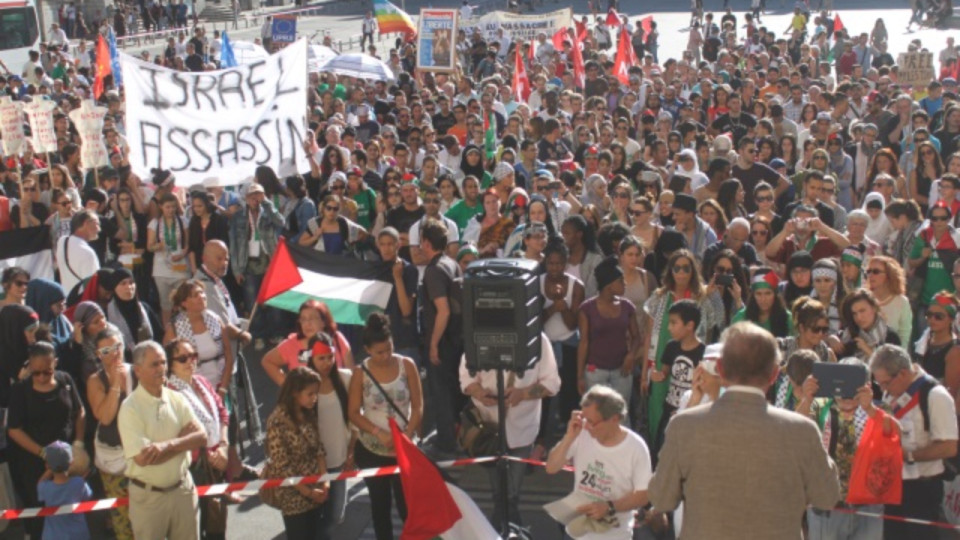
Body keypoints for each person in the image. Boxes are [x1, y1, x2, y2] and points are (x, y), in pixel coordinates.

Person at [649, 322, 841, 539]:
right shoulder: (801, 430)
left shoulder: (684, 426)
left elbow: (661, 497)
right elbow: (827, 496)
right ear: (774, 374)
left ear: (720, 369)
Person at [459, 332, 560, 527]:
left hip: (523, 430)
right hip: (488, 429)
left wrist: (524, 394)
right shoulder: (479, 335)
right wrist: (479, 392)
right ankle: (508, 530)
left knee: (511, 493)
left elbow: (552, 384)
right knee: (499, 493)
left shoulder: (538, 340)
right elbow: (466, 376)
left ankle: (503, 530)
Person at [118, 341, 207, 540]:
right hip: (149, 500)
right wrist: (184, 440)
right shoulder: (130, 408)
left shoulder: (177, 398)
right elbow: (144, 458)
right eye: (154, 364)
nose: (162, 369)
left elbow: (202, 437)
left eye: (163, 363)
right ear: (138, 371)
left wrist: (167, 445)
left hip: (183, 490)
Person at [868, 344, 959, 539]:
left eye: (885, 383)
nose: (883, 389)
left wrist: (907, 455)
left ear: (902, 374)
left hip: (923, 488)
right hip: (893, 484)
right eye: (879, 384)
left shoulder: (935, 395)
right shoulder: (890, 392)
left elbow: (949, 447)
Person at [348, 313, 423, 540]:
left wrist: (407, 435)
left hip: (404, 448)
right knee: (380, 508)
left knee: (408, 507)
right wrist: (377, 433)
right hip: (372, 449)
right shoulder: (361, 373)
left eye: (389, 348)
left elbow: (418, 406)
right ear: (367, 350)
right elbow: (352, 412)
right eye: (380, 352)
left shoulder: (407, 365)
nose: (386, 355)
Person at [545, 385, 652, 539]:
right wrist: (569, 437)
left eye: (592, 422)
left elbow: (643, 495)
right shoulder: (580, 433)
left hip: (614, 534)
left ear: (614, 419)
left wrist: (609, 507)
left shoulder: (636, 448)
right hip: (577, 530)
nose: (586, 427)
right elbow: (551, 468)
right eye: (584, 419)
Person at [7, 341, 85, 539]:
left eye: (47, 372)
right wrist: (43, 453)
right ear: (29, 367)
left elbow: (79, 411)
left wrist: (78, 443)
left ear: (55, 364)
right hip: (33, 464)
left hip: (68, 461)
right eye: (36, 372)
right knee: (39, 516)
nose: (41, 377)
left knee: (70, 512)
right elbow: (14, 430)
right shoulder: (20, 391)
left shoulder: (66, 380)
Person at [165, 338, 230, 539]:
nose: (190, 361)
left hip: (216, 459)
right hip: (193, 468)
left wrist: (223, 446)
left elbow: (221, 413)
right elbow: (180, 432)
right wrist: (212, 453)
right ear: (170, 364)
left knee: (217, 521)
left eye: (193, 356)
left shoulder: (201, 381)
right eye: (183, 358)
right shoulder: (169, 393)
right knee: (196, 525)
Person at [263, 366, 329, 540]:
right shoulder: (277, 421)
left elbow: (319, 449)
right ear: (294, 392)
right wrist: (308, 492)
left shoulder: (308, 413)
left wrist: (325, 481)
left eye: (316, 393)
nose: (314, 398)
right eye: (310, 394)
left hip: (316, 489)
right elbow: (282, 466)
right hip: (294, 497)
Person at [418, 219, 463, 458]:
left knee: (442, 392)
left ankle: (446, 442)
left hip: (443, 343)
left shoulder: (434, 270)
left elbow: (443, 310)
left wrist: (433, 344)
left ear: (427, 242)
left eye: (421, 242)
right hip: (456, 341)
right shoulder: (452, 264)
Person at [302, 333, 354, 537]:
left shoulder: (346, 378)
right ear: (311, 359)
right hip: (313, 464)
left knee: (335, 515)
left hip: (340, 460)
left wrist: (352, 450)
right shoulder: (303, 385)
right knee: (317, 517)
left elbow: (354, 416)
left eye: (330, 357)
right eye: (321, 358)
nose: (326, 363)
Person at [86, 328, 135, 540]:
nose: (114, 353)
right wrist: (115, 383)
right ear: (98, 355)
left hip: (143, 454)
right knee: (123, 521)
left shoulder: (137, 372)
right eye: (107, 350)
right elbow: (104, 417)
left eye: (117, 347)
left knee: (151, 515)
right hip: (114, 459)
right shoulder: (95, 380)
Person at [577, 256, 640, 404]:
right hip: (595, 372)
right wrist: (580, 376)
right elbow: (583, 343)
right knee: (596, 414)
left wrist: (631, 355)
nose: (624, 284)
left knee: (621, 414)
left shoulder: (627, 306)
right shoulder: (587, 309)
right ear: (609, 285)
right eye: (620, 281)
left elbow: (636, 336)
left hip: (622, 370)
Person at [164, 280, 234, 395]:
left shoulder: (215, 319)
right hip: (190, 389)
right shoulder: (174, 329)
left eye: (202, 293)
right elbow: (169, 364)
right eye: (195, 295)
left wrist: (223, 388)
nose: (202, 297)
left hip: (219, 383)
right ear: (184, 303)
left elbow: (228, 355)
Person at [261, 300, 353, 385]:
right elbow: (268, 361)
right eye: (303, 319)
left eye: (312, 318)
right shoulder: (291, 344)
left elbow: (351, 375)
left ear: (323, 322)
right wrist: (289, 388)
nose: (307, 324)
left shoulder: (337, 338)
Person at [37, 440, 92, 540]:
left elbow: (41, 482)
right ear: (71, 462)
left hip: (53, 536)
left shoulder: (45, 488)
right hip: (78, 534)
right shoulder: (78, 483)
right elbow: (87, 496)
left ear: (47, 465)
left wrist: (50, 469)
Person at [56, 209, 101, 295]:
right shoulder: (88, 253)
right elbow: (92, 286)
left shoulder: (62, 242)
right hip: (83, 302)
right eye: (97, 224)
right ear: (86, 223)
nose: (99, 229)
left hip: (68, 300)